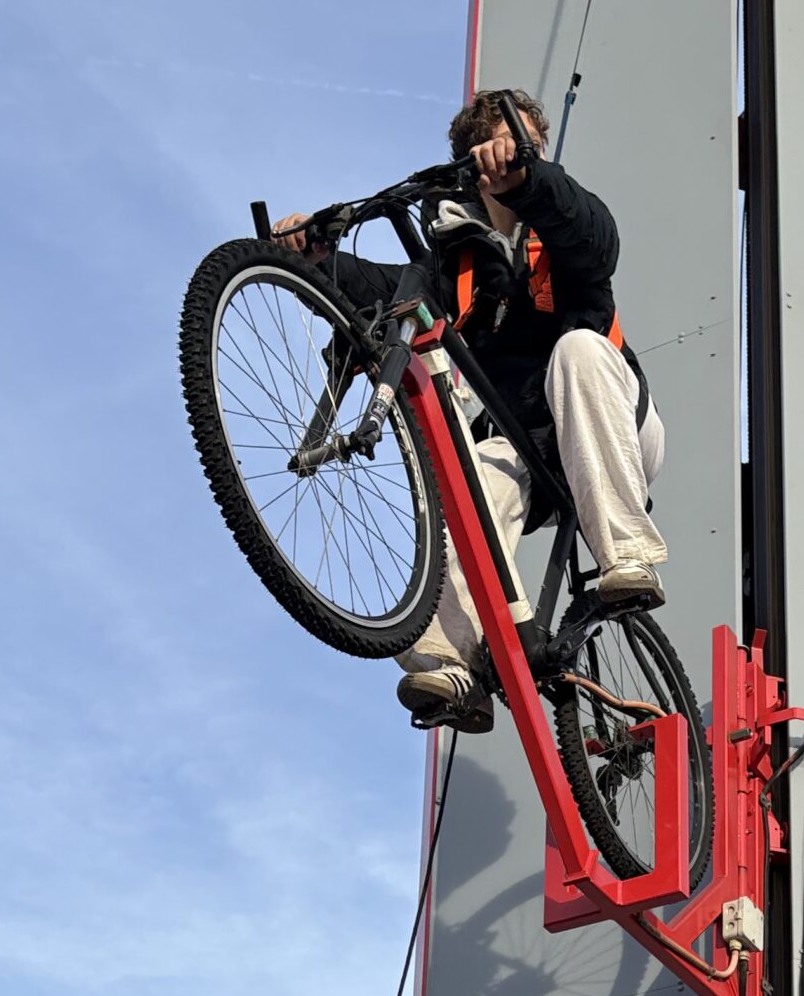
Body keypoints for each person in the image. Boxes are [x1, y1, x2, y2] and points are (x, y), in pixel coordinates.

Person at [274, 89, 666, 729]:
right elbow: (379, 292)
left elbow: (596, 241)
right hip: (531, 454)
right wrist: (317, 259)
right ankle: (450, 667)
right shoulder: (452, 264)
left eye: (526, 145)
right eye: (504, 149)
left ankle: (627, 555)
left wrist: (532, 181)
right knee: (472, 470)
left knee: (578, 350)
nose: (516, 155)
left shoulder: (562, 225)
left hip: (615, 426)